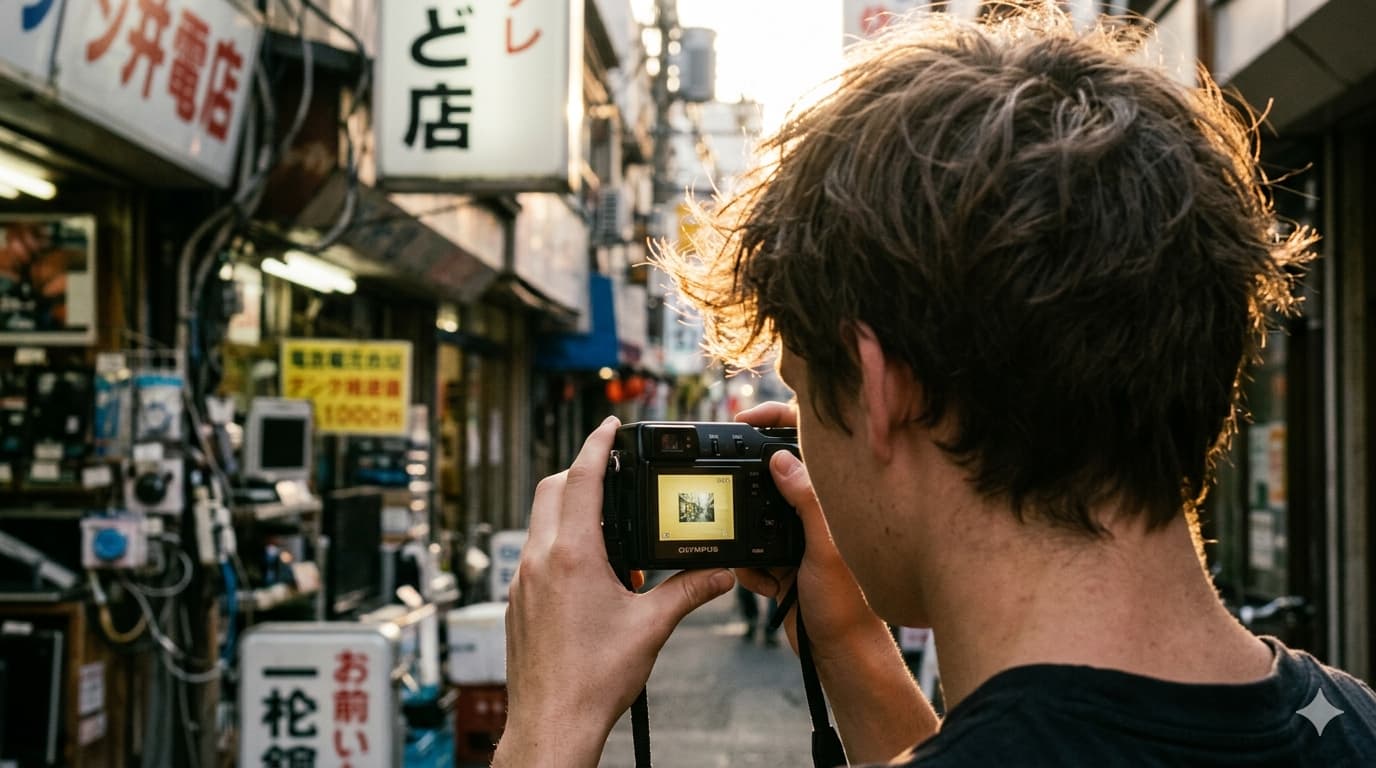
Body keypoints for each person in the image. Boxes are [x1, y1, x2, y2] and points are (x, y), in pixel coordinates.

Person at [494, 4, 1376, 766]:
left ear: (881, 391)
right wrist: (846, 642)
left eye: (802, 390)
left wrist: (548, 723)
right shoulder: (1356, 725)